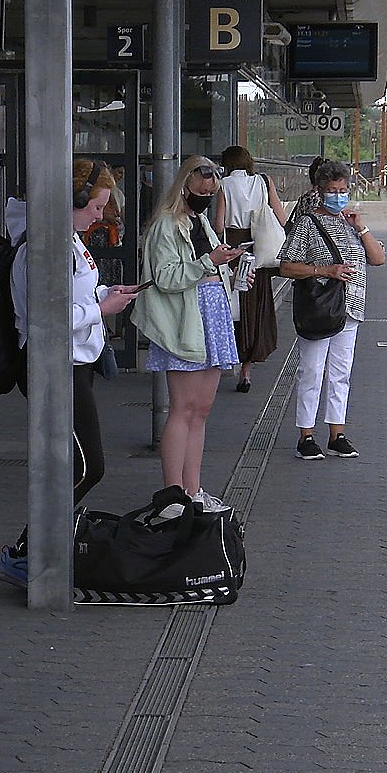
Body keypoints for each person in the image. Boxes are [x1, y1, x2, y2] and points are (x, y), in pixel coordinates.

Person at [0, 158, 141, 586]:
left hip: (74, 364)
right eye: (95, 206)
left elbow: (67, 296)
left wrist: (103, 294)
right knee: (82, 467)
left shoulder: (66, 241)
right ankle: (25, 552)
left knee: (78, 465)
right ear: (71, 201)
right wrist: (101, 308)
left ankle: (35, 549)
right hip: (55, 369)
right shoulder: (42, 248)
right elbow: (46, 316)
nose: (100, 215)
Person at [133, 156, 242, 512]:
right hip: (185, 318)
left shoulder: (200, 221)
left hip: (208, 315)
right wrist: (211, 262)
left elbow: (208, 263)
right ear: (184, 185)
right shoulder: (167, 226)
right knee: (182, 408)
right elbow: (166, 276)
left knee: (201, 410)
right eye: (200, 189)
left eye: (211, 191)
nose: (206, 196)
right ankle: (173, 494)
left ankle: (193, 491)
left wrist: (230, 267)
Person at [278, 159, 385, 461]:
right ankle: (306, 435)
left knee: (341, 373)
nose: (338, 195)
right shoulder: (307, 224)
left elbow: (377, 259)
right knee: (311, 371)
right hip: (321, 309)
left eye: (343, 190)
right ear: (320, 191)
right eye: (332, 190)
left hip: (351, 308)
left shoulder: (351, 224)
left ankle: (337, 433)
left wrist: (361, 227)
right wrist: (325, 270)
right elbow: (286, 266)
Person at [215, 145, 283, 393]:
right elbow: (280, 214)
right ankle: (247, 369)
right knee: (256, 304)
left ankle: (229, 356)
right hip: (260, 246)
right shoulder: (264, 181)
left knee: (233, 301)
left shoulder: (224, 185)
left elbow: (219, 223)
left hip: (233, 246)